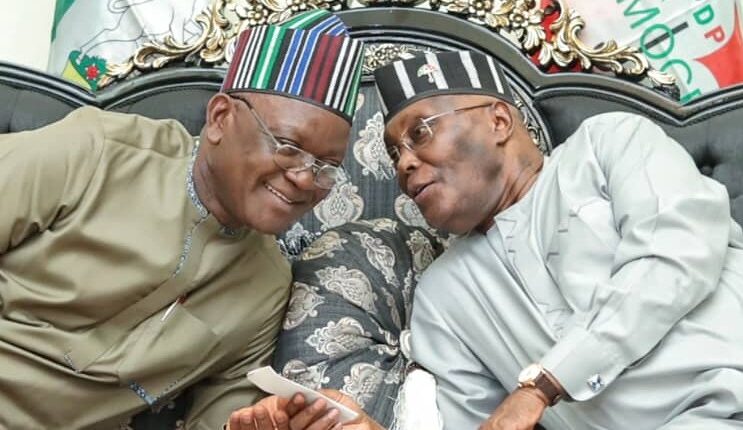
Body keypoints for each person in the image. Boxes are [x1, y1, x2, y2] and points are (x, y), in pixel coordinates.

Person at [227, 50, 743, 430]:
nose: (404, 164)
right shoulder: (443, 295)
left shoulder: (609, 145)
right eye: (394, 153)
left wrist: (543, 385)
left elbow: (673, 258)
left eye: (420, 133)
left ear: (498, 120)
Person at [0, 9, 364, 429]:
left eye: (325, 166)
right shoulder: (95, 152)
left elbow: (223, 420)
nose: (304, 178)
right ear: (220, 117)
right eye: (288, 147)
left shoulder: (266, 287)